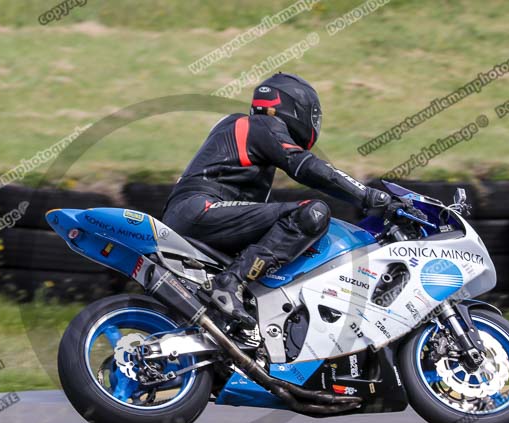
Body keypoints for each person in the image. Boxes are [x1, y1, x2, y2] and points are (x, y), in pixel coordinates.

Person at [162, 73, 392, 328]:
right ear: (295, 107)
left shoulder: (243, 134)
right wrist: (368, 195)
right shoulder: (260, 124)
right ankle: (230, 283)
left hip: (191, 214)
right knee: (311, 213)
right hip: (201, 209)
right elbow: (306, 166)